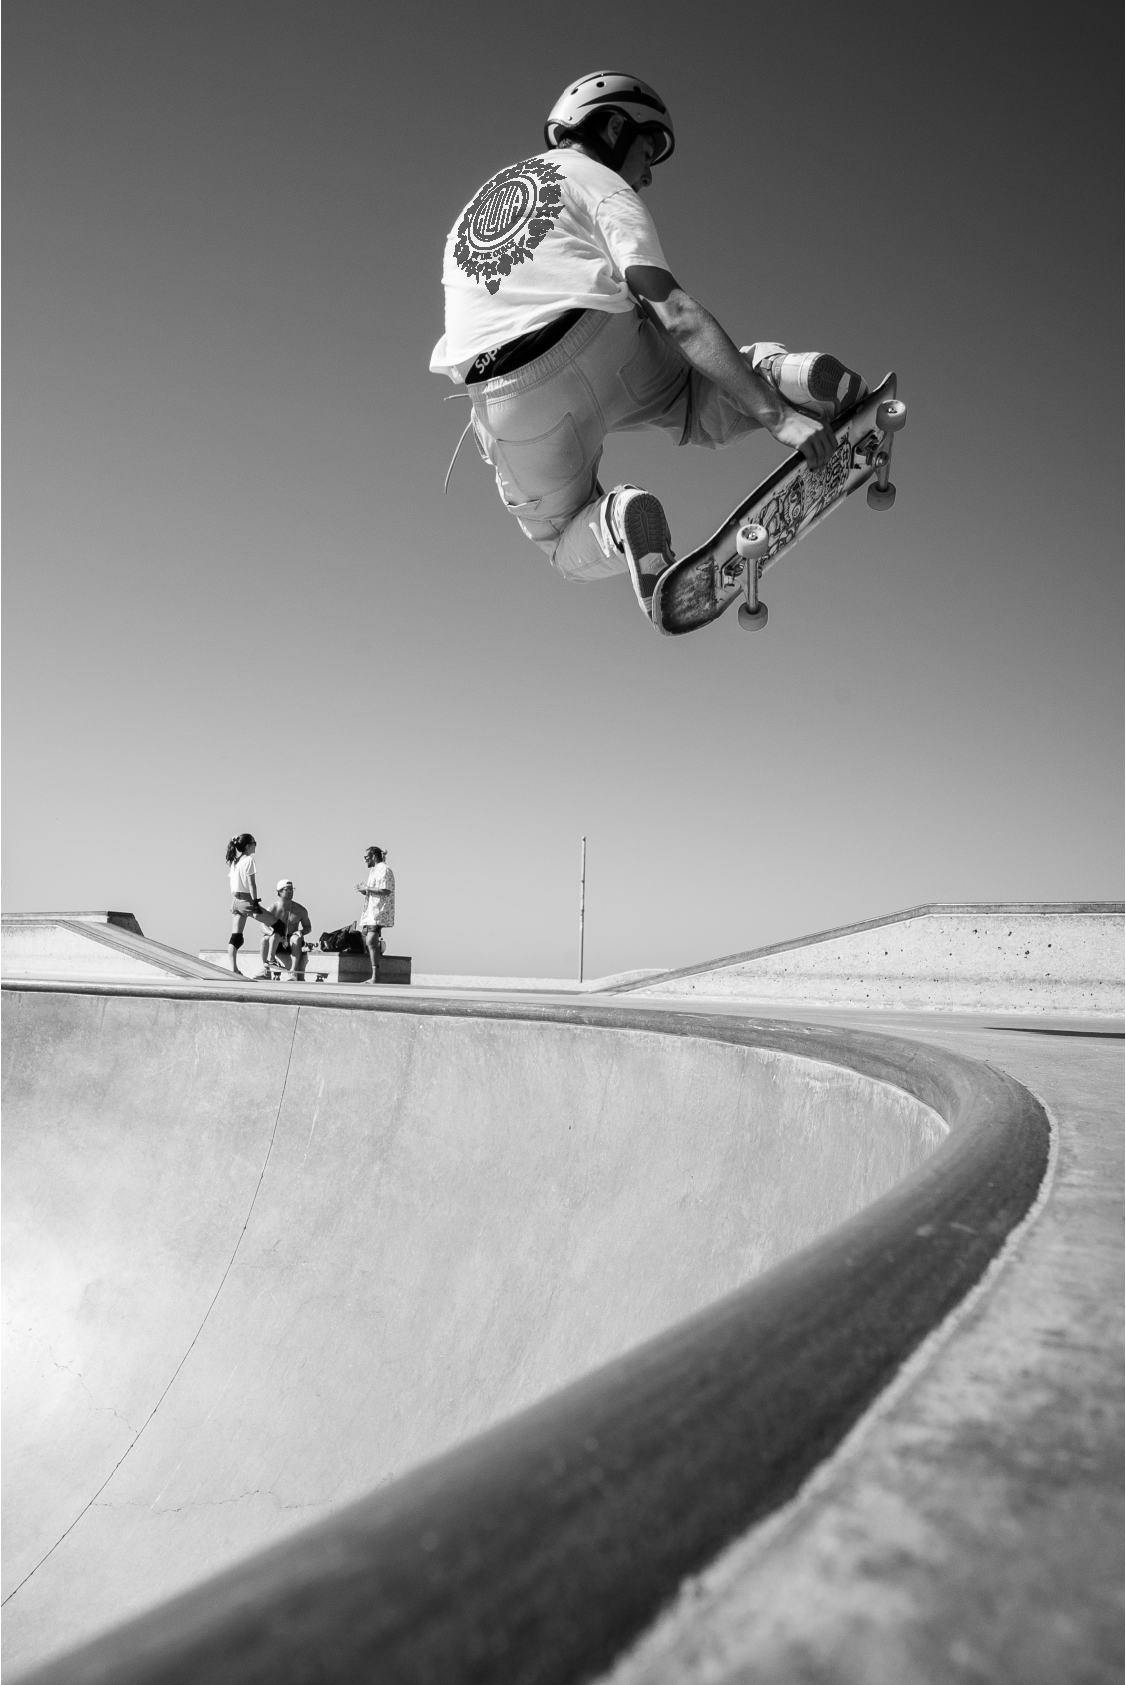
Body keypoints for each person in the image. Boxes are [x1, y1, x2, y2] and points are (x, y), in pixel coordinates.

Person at [431, 71, 866, 624]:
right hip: (599, 337)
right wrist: (777, 417)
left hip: (507, 391)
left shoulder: (476, 207)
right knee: (692, 395)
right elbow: (675, 313)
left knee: (565, 538)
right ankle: (789, 374)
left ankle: (619, 520)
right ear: (613, 126)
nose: (647, 175)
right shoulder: (599, 183)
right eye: (648, 149)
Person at [224, 834, 278, 975]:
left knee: (236, 937)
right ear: (248, 845)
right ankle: (271, 960)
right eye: (254, 843)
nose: (256, 845)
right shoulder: (249, 860)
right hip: (247, 900)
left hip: (235, 902)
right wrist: (254, 903)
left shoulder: (234, 862)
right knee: (279, 926)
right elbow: (251, 883)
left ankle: (234, 969)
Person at [256, 879, 313, 981]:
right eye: (287, 889)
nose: (291, 891)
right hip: (276, 940)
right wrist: (273, 933)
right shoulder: (273, 908)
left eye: (292, 889)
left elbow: (308, 927)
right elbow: (262, 926)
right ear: (279, 892)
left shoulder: (300, 910)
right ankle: (266, 971)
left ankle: (293, 972)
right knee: (264, 939)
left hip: (291, 941)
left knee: (296, 939)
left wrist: (302, 932)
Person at [355, 846, 395, 984]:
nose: (365, 861)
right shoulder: (375, 871)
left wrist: (366, 888)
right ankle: (374, 975)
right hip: (372, 911)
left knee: (371, 941)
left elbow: (385, 890)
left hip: (378, 912)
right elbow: (376, 891)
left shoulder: (384, 869)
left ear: (372, 856)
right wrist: (365, 891)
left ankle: (375, 977)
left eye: (366, 858)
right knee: (369, 940)